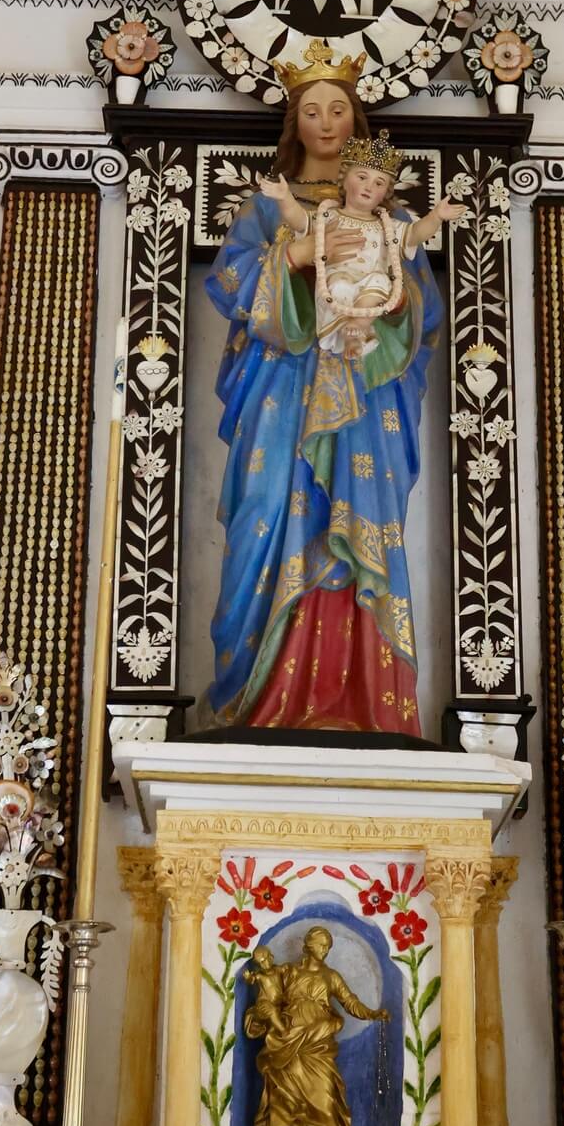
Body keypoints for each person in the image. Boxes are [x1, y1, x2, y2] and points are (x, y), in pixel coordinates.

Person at [203, 40, 443, 737]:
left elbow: (418, 311)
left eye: (340, 109)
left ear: (357, 119)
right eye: (313, 110)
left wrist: (390, 298)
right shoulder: (265, 207)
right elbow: (228, 283)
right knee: (266, 515)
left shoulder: (391, 220)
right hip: (280, 391)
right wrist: (299, 253)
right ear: (294, 122)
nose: (328, 122)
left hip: (365, 398)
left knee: (355, 517)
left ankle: (364, 704)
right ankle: (262, 698)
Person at [260, 129, 465, 359]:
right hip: (336, 284)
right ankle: (350, 336)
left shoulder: (388, 226)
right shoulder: (328, 216)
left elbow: (416, 233)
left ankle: (359, 328)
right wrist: (284, 198)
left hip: (369, 290)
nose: (369, 187)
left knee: (379, 281)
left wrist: (436, 216)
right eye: (361, 177)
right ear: (344, 181)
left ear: (385, 194)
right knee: (339, 286)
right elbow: (298, 219)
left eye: (379, 183)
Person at [243, 926, 389, 1126]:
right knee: (291, 1109)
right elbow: (269, 998)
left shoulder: (331, 976)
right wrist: (270, 1016)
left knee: (327, 1109)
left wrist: (372, 1013)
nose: (324, 949)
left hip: (319, 1049)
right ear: (308, 945)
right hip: (290, 1049)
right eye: (321, 944)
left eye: (327, 946)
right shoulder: (288, 972)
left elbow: (349, 1001)